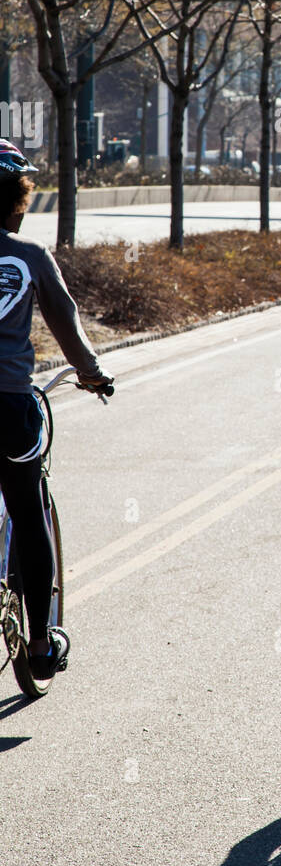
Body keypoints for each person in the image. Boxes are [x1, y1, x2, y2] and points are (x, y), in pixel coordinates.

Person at [0, 140, 114, 679]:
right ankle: (41, 644)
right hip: (11, 409)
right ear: (18, 200)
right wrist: (92, 374)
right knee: (27, 511)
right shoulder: (29, 258)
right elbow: (66, 326)